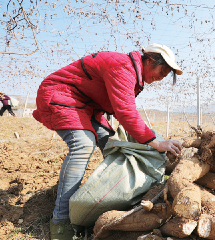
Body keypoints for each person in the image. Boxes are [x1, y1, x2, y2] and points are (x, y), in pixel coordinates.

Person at [32, 43, 183, 240]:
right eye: (162, 71)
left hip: (87, 107)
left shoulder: (132, 72)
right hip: (63, 96)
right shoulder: (123, 66)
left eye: (164, 76)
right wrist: (157, 143)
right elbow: (126, 112)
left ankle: (120, 195)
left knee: (113, 143)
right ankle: (60, 221)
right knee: (83, 145)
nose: (159, 78)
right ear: (150, 59)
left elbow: (123, 110)